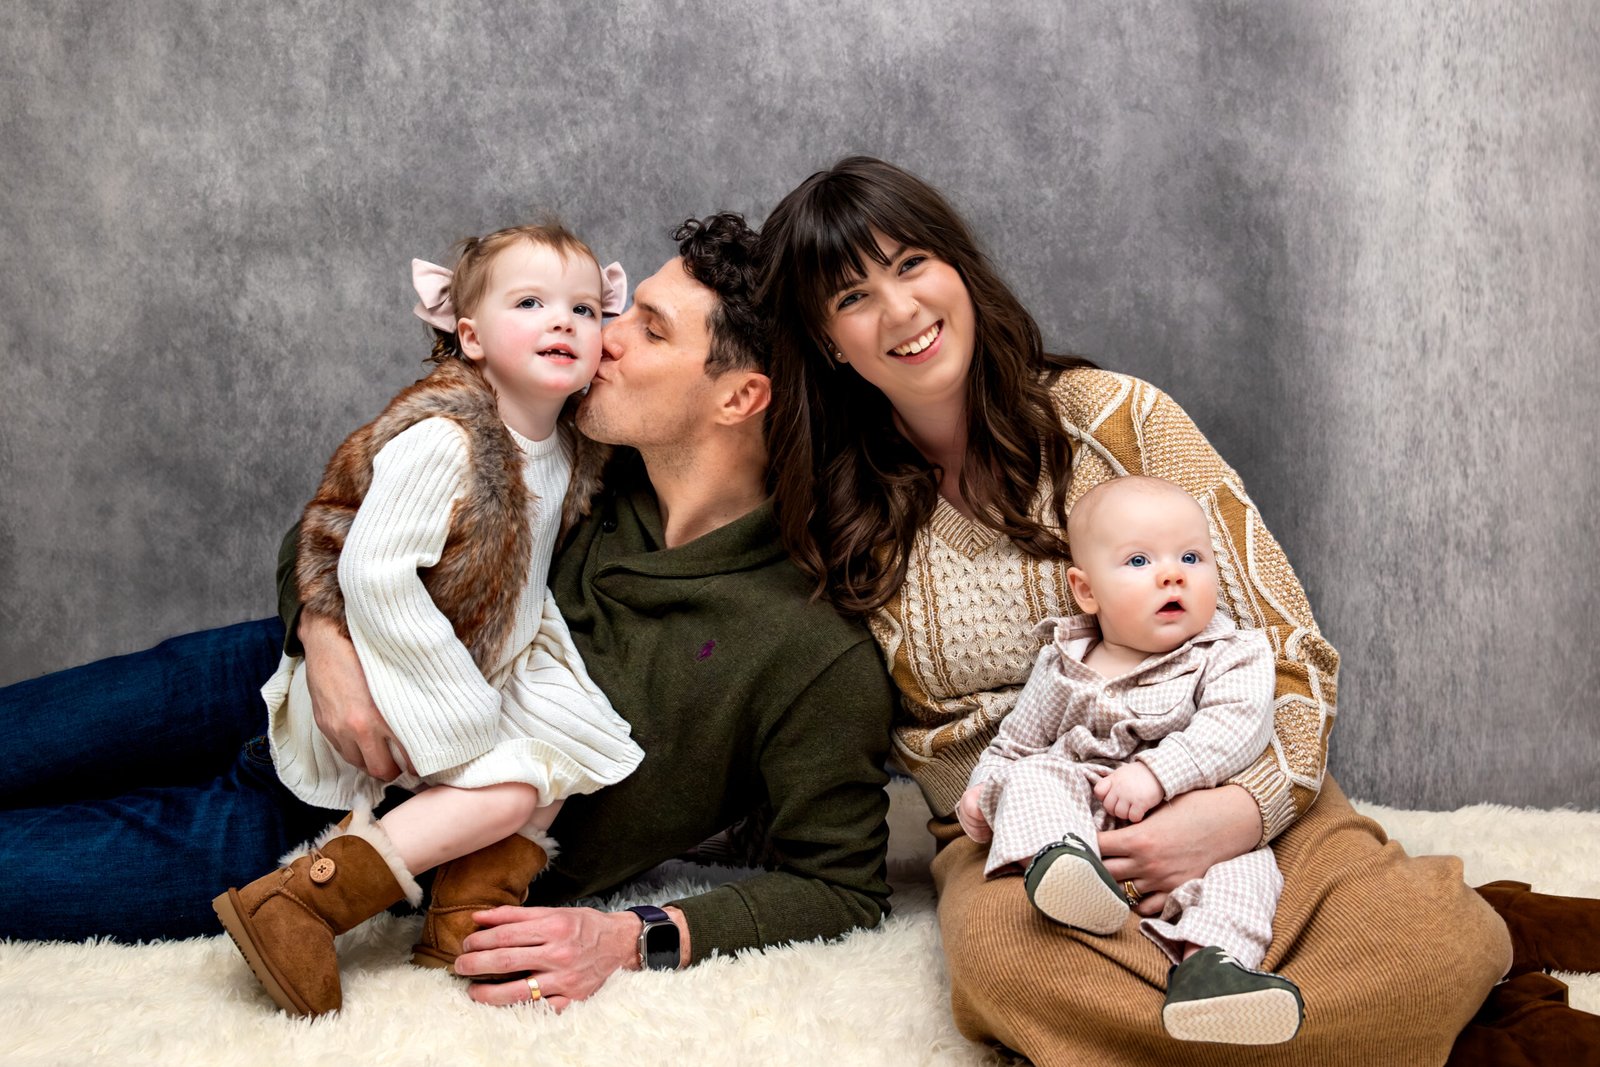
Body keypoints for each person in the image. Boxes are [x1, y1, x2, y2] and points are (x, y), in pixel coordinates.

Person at [756, 155, 1599, 1065]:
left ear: (959, 266)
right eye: (853, 296)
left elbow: (1290, 646)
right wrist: (1053, 822)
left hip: (1223, 767)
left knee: (1429, 948)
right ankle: (1388, 1038)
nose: (902, 310)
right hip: (1036, 838)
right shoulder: (843, 517)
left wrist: (1238, 810)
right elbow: (934, 745)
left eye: (913, 263)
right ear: (829, 342)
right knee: (1007, 974)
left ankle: (1452, 961)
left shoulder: (1118, 420)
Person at [0, 213, 896, 1016]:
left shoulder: (807, 651)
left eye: (645, 327)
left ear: (740, 397)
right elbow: (344, 515)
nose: (601, 334)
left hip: (322, 829)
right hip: (265, 672)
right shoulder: (569, 444)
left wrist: (632, 936)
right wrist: (326, 635)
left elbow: (843, 888)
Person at [212, 222, 646, 1017]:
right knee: (514, 789)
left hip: (483, 659)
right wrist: (456, 704)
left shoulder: (571, 446)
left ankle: (462, 915)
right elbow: (371, 570)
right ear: (470, 337)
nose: (564, 322)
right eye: (531, 302)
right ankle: (301, 901)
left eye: (585, 309)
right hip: (393, 668)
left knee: (567, 744)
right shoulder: (448, 439)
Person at [957, 476, 1299, 1045]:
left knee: (1248, 868)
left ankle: (1211, 968)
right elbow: (1017, 744)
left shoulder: (1232, 654)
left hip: (1199, 816)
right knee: (1036, 775)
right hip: (1083, 811)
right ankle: (1062, 868)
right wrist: (983, 790)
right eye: (1139, 560)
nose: (1173, 574)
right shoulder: (1064, 663)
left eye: (1192, 556)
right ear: (1086, 591)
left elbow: (1235, 729)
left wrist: (1158, 773)